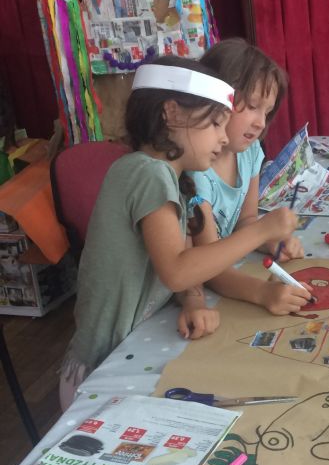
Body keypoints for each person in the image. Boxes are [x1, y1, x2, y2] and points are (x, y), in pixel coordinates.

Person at [59, 56, 300, 409]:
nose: (223, 137)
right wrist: (262, 230)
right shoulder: (148, 173)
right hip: (100, 373)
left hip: (132, 354)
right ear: (171, 113)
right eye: (215, 124)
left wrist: (193, 300)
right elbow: (177, 269)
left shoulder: (175, 179)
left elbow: (189, 262)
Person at [190, 38, 311, 314]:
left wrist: (269, 241)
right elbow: (207, 269)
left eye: (267, 112)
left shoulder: (249, 152)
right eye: (253, 106)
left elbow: (246, 221)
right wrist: (262, 292)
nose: (260, 123)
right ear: (214, 102)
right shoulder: (195, 171)